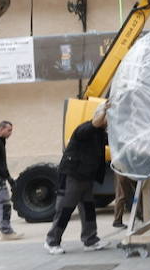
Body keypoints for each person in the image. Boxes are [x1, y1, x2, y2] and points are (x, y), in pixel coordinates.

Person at [45, 104, 110, 254]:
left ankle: (90, 240)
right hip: (72, 175)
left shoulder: (100, 134)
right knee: (65, 209)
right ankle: (52, 241)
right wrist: (105, 109)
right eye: (107, 118)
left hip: (86, 177)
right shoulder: (84, 129)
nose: (108, 122)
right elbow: (95, 123)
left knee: (88, 209)